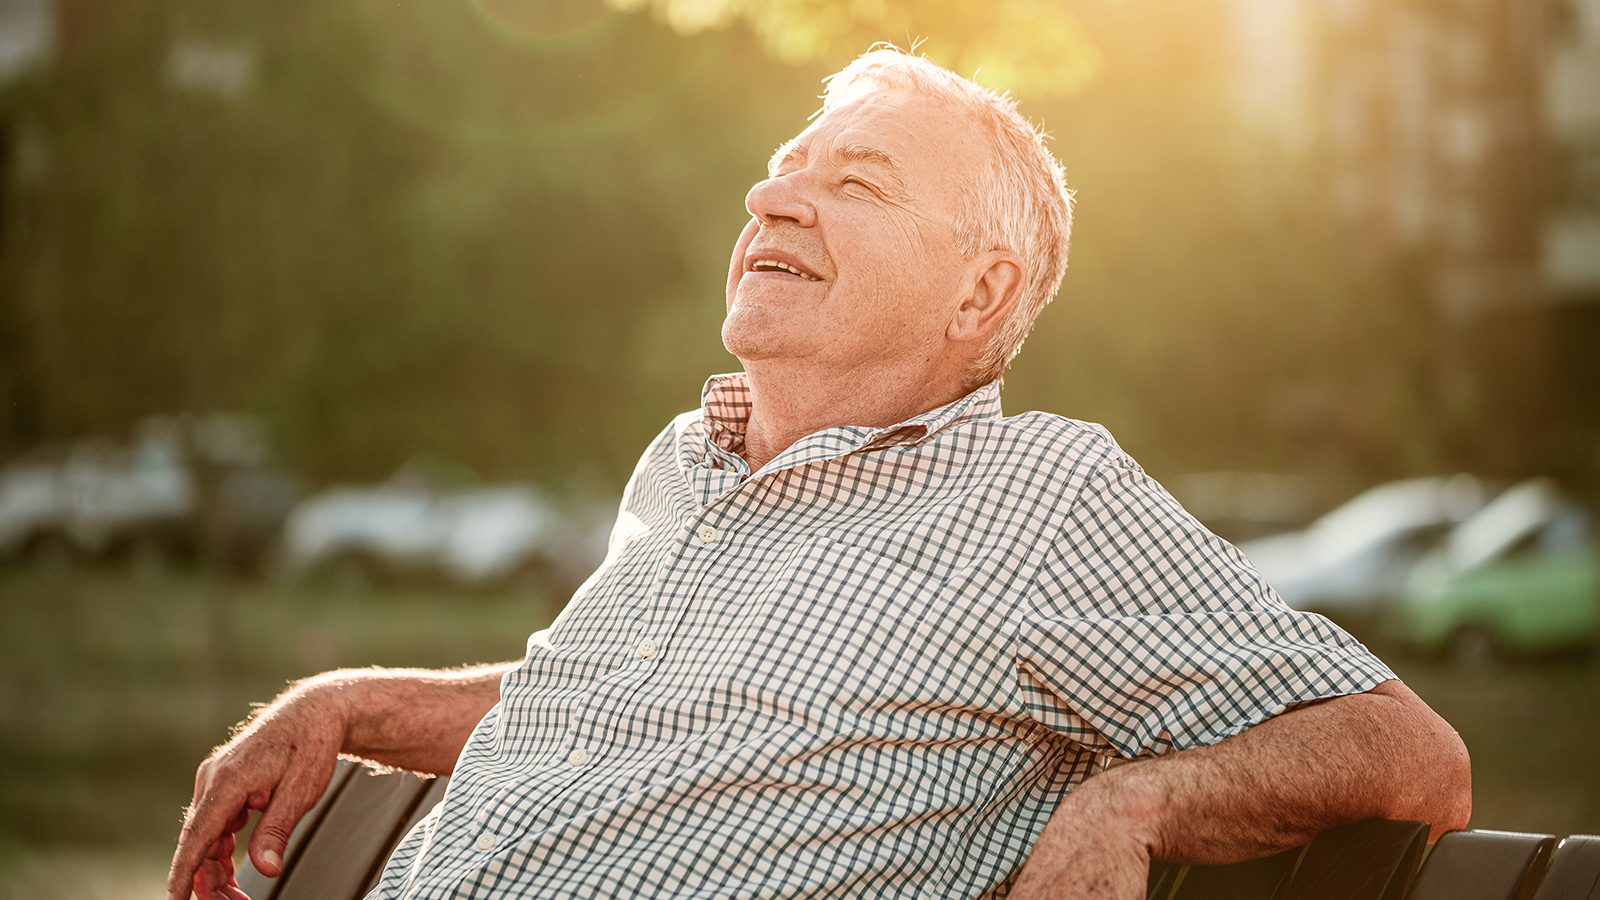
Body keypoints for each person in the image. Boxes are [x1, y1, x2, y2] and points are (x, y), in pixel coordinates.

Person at [168, 46, 1471, 900]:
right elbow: (627, 704)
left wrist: (1131, 806)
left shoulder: (1038, 494)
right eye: (784, 171)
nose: (771, 200)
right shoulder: (684, 463)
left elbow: (1411, 758)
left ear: (980, 293)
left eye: (855, 183)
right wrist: (350, 702)